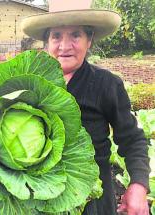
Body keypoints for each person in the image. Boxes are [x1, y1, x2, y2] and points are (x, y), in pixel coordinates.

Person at [21, 0, 150, 214]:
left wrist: (138, 185)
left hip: (92, 196)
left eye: (75, 35)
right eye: (56, 36)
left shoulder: (107, 84)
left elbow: (132, 139)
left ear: (89, 40)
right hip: (39, 195)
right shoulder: (30, 84)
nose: (64, 45)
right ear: (47, 41)